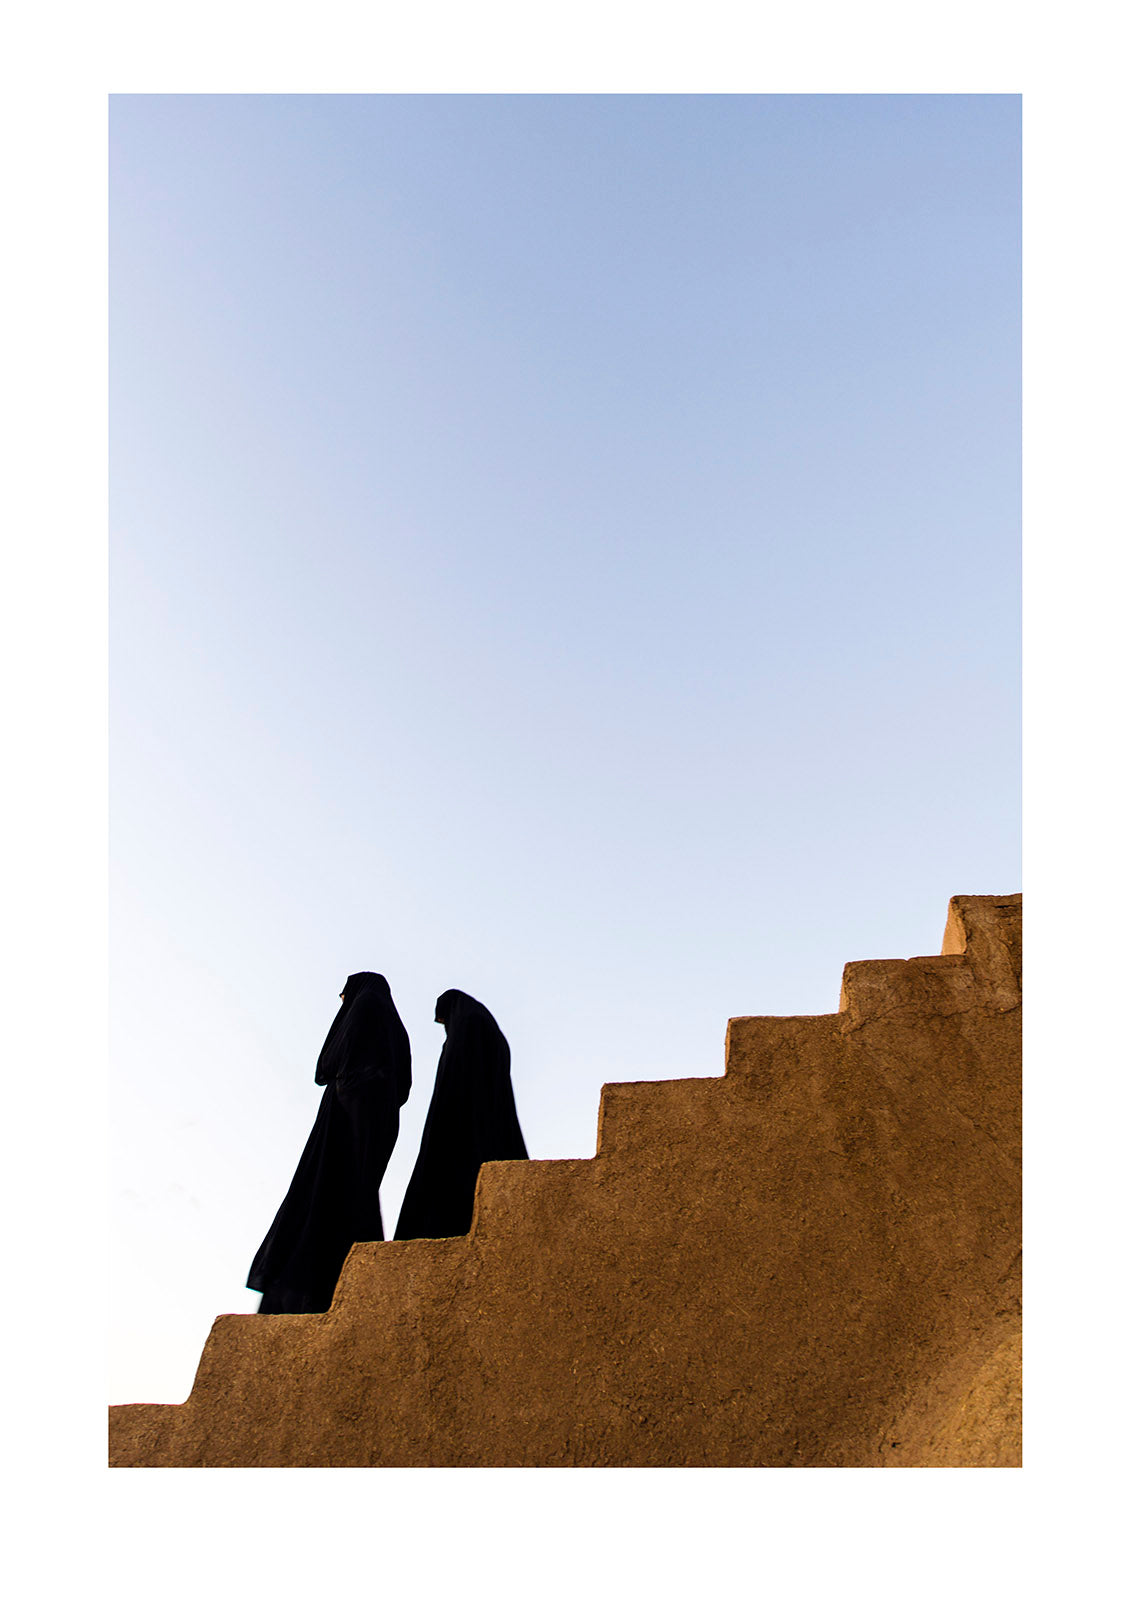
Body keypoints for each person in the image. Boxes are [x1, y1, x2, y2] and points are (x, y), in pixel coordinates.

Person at [248, 972, 411, 1313]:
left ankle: (310, 1295)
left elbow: (330, 1062)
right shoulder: (394, 1028)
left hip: (344, 1121)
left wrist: (346, 1091)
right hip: (373, 1128)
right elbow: (403, 1087)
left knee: (323, 1200)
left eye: (344, 997)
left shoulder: (365, 1007)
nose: (343, 1004)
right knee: (351, 1201)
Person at [395, 989, 528, 1241]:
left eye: (444, 1020)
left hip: (460, 1125)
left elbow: (454, 1082)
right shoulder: (483, 1027)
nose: (446, 1027)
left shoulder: (466, 1028)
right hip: (490, 1124)